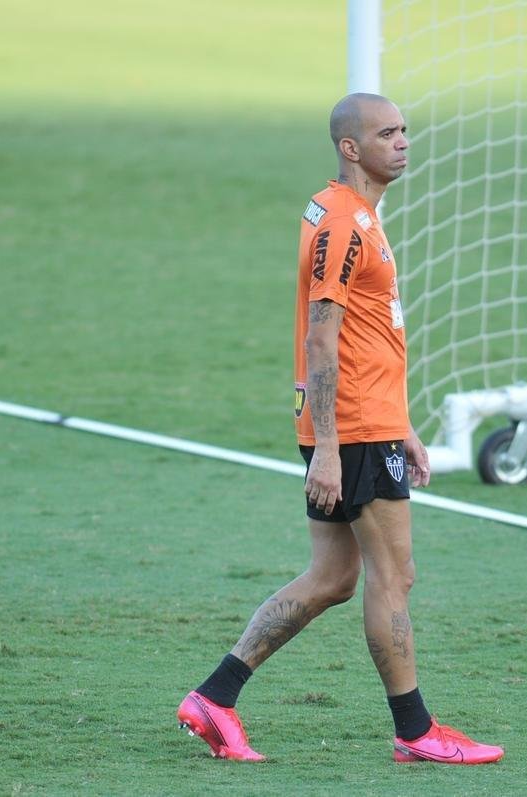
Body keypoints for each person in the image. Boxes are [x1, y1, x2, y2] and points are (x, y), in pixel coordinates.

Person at [176, 93, 504, 766]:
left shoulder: (350, 212)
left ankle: (215, 696)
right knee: (395, 574)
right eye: (387, 133)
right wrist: (329, 445)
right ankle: (415, 731)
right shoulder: (346, 225)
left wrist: (401, 423)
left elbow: (367, 332)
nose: (403, 142)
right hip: (350, 428)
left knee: (333, 576)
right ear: (350, 147)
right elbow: (321, 340)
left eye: (405, 131)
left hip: (366, 421)